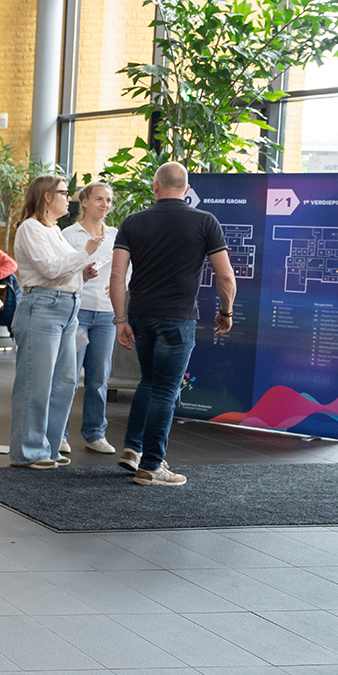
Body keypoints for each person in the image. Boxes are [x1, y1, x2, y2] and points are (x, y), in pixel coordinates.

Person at [113, 161, 234, 486]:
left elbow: (117, 275)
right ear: (187, 188)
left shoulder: (133, 222)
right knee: (166, 389)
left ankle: (133, 449)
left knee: (149, 383)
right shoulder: (205, 221)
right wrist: (226, 312)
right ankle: (152, 466)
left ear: (155, 186)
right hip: (177, 319)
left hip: (140, 315)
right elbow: (224, 275)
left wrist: (120, 319)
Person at [8, 174, 100, 469]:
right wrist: (84, 255)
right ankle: (29, 451)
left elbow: (61, 270)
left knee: (64, 383)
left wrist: (81, 272)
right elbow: (48, 270)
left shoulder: (55, 230)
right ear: (47, 197)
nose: (68, 198)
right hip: (43, 307)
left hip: (68, 307)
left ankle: (48, 448)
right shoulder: (30, 228)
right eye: (63, 192)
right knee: (36, 384)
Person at [64, 182, 119, 454]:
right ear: (84, 202)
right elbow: (60, 271)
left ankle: (95, 433)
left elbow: (126, 266)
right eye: (99, 199)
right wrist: (80, 276)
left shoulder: (115, 235)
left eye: (108, 200)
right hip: (78, 312)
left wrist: (121, 287)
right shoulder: (68, 234)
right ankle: (59, 433)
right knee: (69, 377)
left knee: (99, 378)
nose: (105, 204)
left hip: (106, 314)